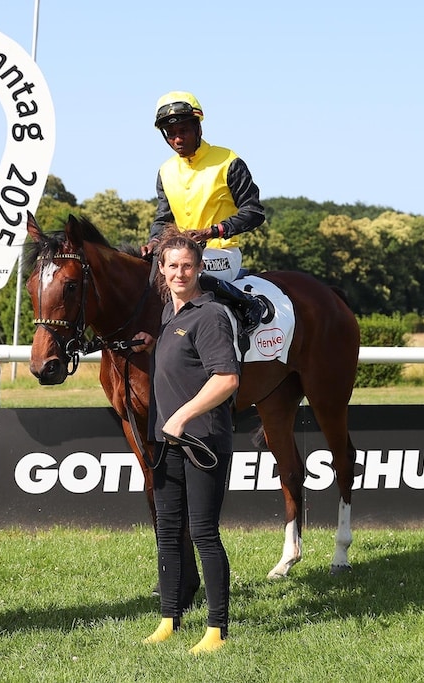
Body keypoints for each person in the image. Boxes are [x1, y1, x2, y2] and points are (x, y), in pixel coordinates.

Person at [133, 232, 241, 655]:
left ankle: (217, 630)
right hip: (169, 442)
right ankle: (169, 619)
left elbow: (226, 379)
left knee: (202, 533)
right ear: (161, 269)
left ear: (199, 269)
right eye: (172, 265)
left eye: (188, 266)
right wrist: (152, 343)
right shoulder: (167, 312)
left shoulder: (211, 314)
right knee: (167, 531)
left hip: (203, 441)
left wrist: (180, 416)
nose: (180, 273)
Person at [142, 91, 265, 261]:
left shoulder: (229, 161)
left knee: (186, 272)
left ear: (198, 129)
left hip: (223, 254)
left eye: (183, 130)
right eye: (171, 133)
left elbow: (254, 212)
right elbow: (164, 220)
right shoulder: (165, 171)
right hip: (180, 254)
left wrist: (211, 232)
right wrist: (154, 241)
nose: (177, 139)